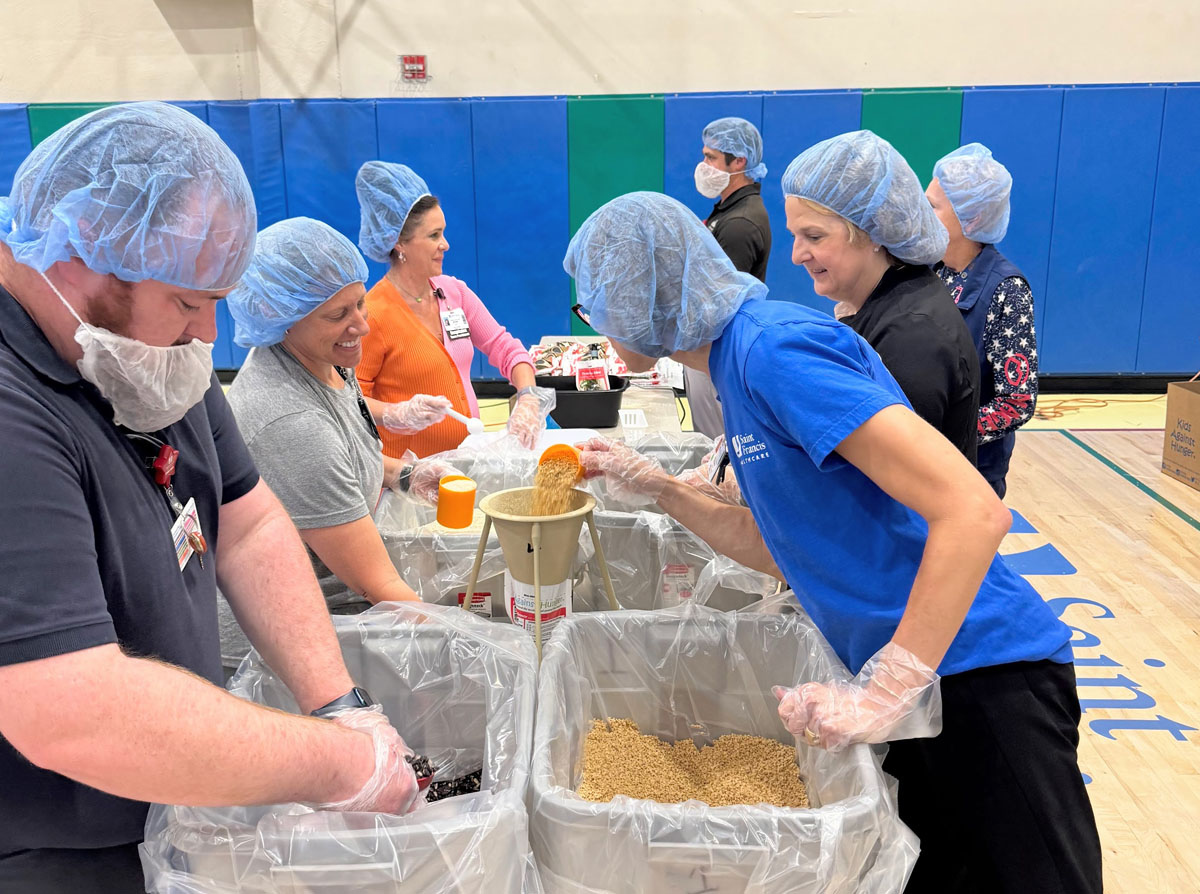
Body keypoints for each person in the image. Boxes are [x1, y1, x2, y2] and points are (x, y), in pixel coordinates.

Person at [564, 190, 1102, 894]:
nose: (597, 317)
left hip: (982, 675)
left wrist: (890, 687)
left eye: (594, 300)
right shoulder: (730, 362)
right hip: (920, 684)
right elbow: (777, 546)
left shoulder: (774, 350)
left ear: (644, 291)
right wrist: (662, 489)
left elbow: (973, 511)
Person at [0, 103, 420, 893]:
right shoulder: (16, 412)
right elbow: (69, 706)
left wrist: (338, 704)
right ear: (80, 261)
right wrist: (335, 764)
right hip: (52, 849)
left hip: (175, 803)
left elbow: (248, 518)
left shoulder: (138, 353)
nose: (208, 334)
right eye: (190, 304)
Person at [226, 216, 462, 616]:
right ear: (282, 318)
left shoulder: (327, 357)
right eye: (338, 315)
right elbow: (378, 585)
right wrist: (466, 639)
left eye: (360, 303)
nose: (362, 327)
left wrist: (402, 474)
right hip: (297, 627)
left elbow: (346, 444)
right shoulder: (291, 424)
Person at [782, 130, 980, 465]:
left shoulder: (913, 336)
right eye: (794, 236)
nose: (797, 255)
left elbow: (890, 479)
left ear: (874, 232)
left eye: (814, 236)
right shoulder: (882, 305)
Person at [354, 160, 553, 457]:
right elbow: (351, 400)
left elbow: (506, 348)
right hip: (411, 477)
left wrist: (527, 397)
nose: (445, 244)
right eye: (434, 236)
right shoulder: (373, 314)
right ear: (399, 244)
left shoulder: (453, 292)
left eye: (443, 233)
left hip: (463, 463)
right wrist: (396, 413)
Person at [928, 144, 1039, 498]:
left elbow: (1016, 402)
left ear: (971, 219)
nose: (920, 214)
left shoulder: (1006, 291)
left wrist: (941, 437)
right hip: (918, 463)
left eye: (931, 207)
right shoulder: (931, 271)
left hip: (970, 474)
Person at [686, 116, 773, 438]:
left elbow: (718, 303)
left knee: (717, 444)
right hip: (708, 350)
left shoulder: (741, 222)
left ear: (739, 161)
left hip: (717, 350)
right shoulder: (727, 210)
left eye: (711, 158)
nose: (703, 164)